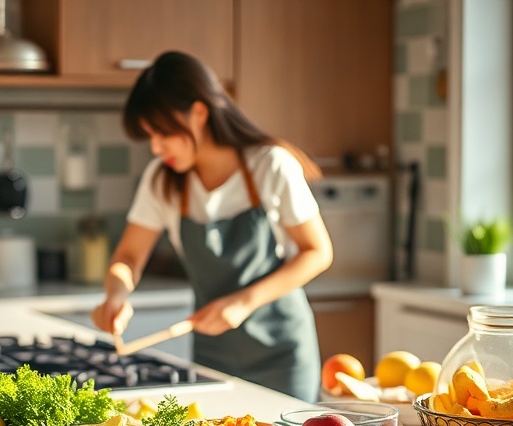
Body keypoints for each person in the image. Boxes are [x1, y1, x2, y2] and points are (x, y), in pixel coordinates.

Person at [91, 51, 334, 402]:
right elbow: (128, 255)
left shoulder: (271, 166)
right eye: (150, 136)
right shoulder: (162, 181)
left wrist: (243, 302)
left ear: (199, 112)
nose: (156, 148)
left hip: (283, 355)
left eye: (163, 132)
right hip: (213, 358)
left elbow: (318, 252)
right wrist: (116, 293)